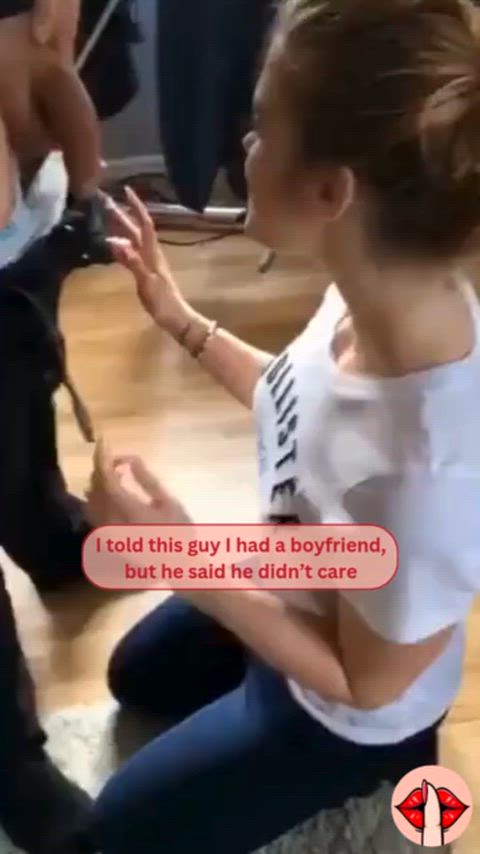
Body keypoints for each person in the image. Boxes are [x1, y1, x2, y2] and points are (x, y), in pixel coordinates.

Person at [88, 1, 480, 852]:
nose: (247, 144)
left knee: (112, 837)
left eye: (264, 126)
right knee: (137, 680)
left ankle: (389, 781)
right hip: (303, 567)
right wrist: (180, 319)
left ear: (332, 191)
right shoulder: (379, 286)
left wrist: (189, 559)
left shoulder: (430, 472)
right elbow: (304, 400)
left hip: (346, 716)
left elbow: (366, 686)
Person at [0, 2, 103, 852]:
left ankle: (53, 538)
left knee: (21, 398)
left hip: (24, 241)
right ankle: (11, 762)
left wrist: (83, 205)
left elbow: (54, 68)